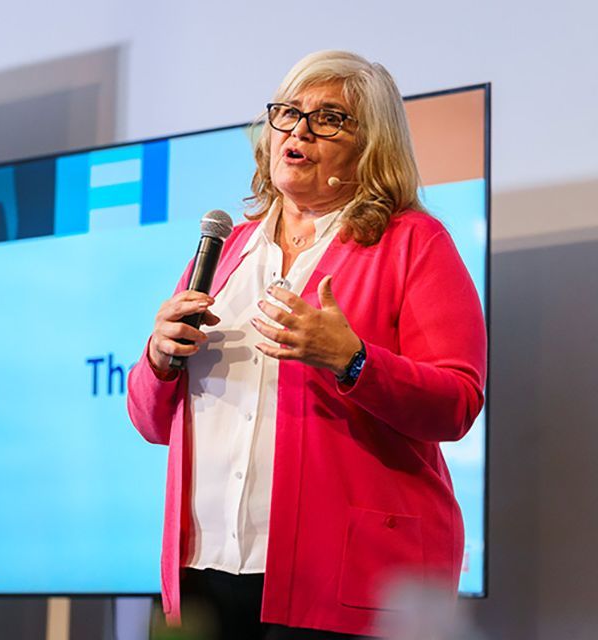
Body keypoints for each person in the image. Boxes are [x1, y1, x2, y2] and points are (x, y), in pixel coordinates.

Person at [127, 50, 486, 639]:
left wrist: (354, 360)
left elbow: (458, 401)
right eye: (288, 113)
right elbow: (149, 421)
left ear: (373, 146)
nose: (298, 129)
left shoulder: (412, 242)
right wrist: (157, 359)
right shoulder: (223, 253)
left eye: (329, 118)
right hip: (205, 572)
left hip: (344, 576)